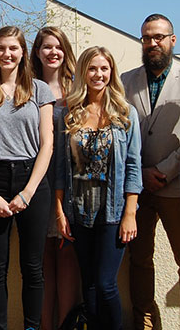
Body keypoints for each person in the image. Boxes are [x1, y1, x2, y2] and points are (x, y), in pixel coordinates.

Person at [120, 14, 180, 330]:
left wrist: (165, 170)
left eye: (159, 36)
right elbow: (120, 133)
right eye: (147, 37)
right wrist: (141, 173)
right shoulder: (125, 81)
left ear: (173, 40)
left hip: (177, 187)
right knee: (140, 261)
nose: (152, 43)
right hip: (137, 188)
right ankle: (146, 323)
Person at [0, 26, 54, 330]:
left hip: (32, 181)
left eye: (13, 48)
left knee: (32, 268)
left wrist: (28, 193)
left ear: (22, 52)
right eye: (1, 48)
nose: (7, 54)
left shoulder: (40, 90)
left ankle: (32, 326)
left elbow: (47, 145)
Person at [54, 46, 142, 330]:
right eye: (92, 68)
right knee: (89, 282)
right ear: (83, 73)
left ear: (111, 73)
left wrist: (130, 212)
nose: (98, 74)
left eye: (104, 68)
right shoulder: (68, 115)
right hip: (78, 209)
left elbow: (133, 166)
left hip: (113, 211)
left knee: (105, 284)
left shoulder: (126, 114)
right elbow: (59, 168)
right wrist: (60, 211)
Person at [29, 26, 81, 330]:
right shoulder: (28, 88)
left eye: (58, 46)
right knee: (42, 261)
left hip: (71, 184)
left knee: (68, 257)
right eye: (46, 46)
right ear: (37, 51)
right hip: (37, 182)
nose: (53, 52)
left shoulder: (78, 89)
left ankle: (66, 324)